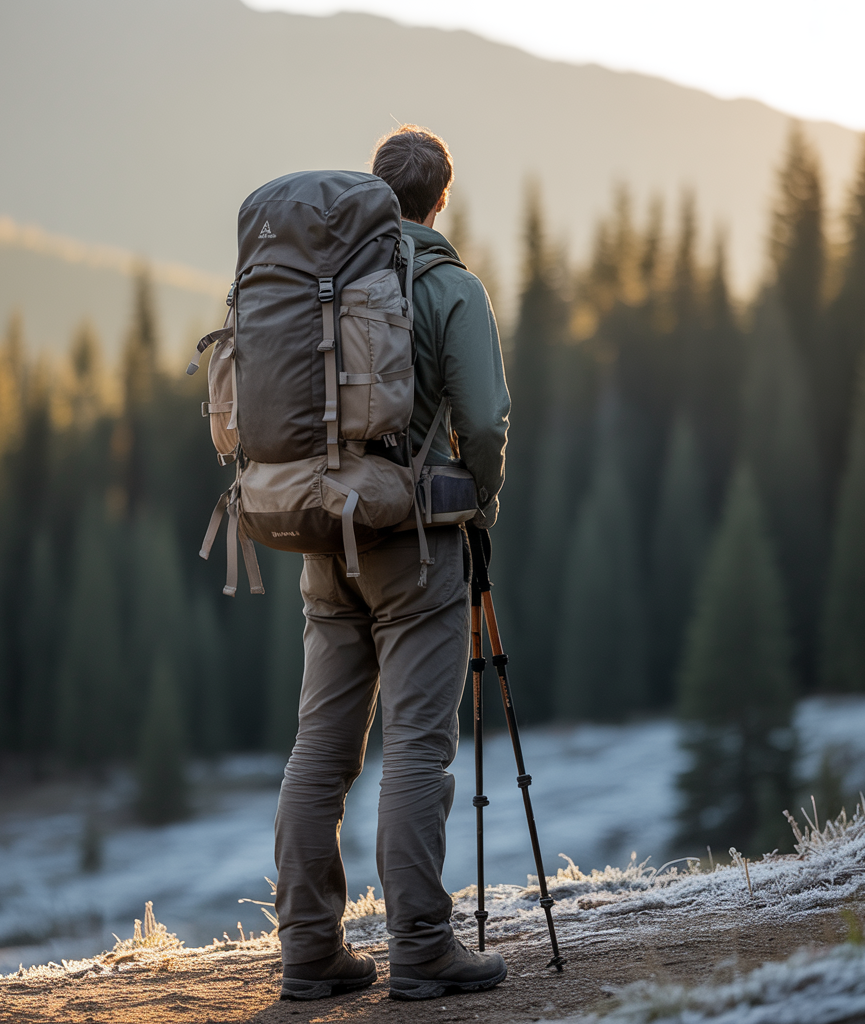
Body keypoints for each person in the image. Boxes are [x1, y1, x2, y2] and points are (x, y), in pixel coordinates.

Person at [274, 125, 511, 1002]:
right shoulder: (448, 286)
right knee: (417, 745)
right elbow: (483, 422)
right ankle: (421, 947)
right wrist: (478, 506)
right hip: (411, 544)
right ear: (440, 198)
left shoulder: (321, 284)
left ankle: (309, 952)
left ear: (376, 193)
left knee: (319, 751)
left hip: (320, 537)